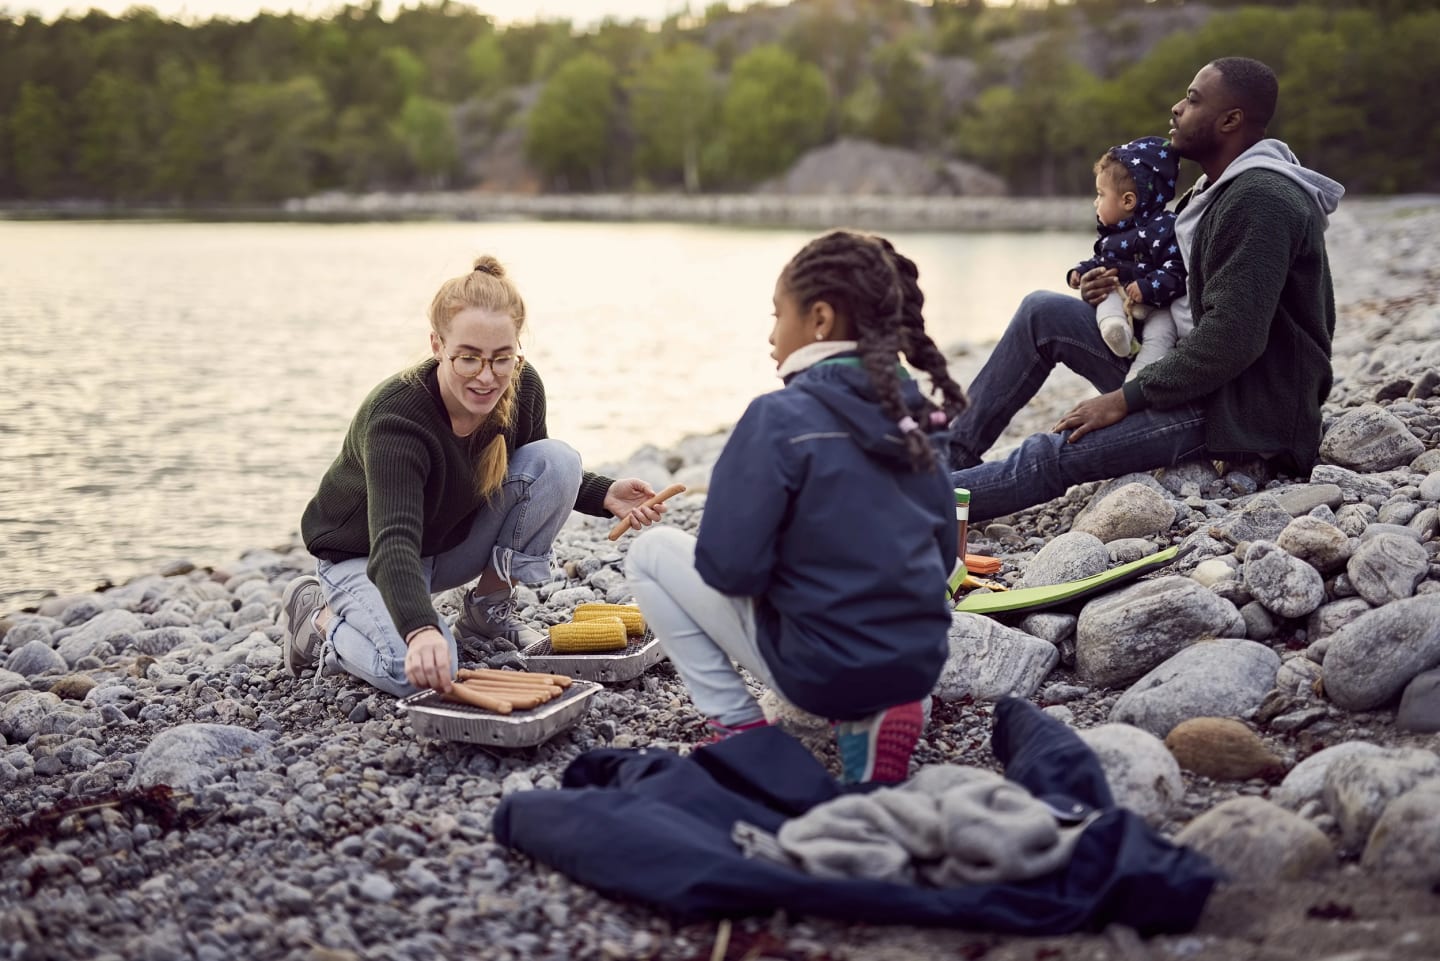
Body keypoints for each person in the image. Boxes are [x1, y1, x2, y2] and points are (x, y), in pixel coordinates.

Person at [624, 230, 969, 784]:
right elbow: (944, 556)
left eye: (776, 314)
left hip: (822, 672)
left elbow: (728, 569)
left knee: (649, 553)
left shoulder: (778, 418)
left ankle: (739, 727)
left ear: (820, 320)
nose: (770, 335)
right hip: (916, 662)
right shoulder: (919, 418)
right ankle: (879, 714)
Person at [949, 57, 1344, 522]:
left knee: (1054, 451)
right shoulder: (1210, 193)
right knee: (1041, 312)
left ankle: (902, 505)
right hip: (1192, 372)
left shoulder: (1261, 200)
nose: (1177, 108)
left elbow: (1233, 339)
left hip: (1240, 409)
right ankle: (944, 462)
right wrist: (1112, 292)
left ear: (1231, 120)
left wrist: (1123, 400)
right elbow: (1179, 292)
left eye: (1193, 99)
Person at [277, 256, 665, 697]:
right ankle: (318, 620)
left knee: (559, 460)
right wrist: (420, 628)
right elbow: (394, 542)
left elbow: (533, 467)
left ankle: (486, 612)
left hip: (445, 546)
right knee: (416, 674)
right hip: (366, 558)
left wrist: (604, 493)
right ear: (438, 345)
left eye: (502, 358)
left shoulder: (522, 385)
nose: (487, 377)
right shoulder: (398, 419)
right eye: (468, 359)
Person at [1068, 135, 1186, 378]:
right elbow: (1100, 262)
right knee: (1106, 301)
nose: (1095, 202)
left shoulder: (1166, 228)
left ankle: (1141, 373)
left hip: (1157, 305)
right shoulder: (1112, 235)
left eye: (1101, 195)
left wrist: (1147, 287)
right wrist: (1079, 272)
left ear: (1128, 201)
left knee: (1163, 332)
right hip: (1121, 297)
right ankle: (1116, 331)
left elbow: (1177, 270)